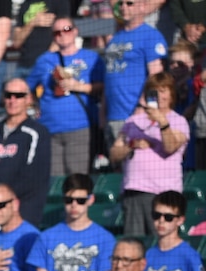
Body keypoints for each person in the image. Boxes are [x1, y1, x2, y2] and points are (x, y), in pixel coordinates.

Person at [110, 74, 189, 236]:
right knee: (135, 244)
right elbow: (114, 154)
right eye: (154, 91)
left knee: (161, 243)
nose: (159, 96)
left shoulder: (179, 121)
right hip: (134, 191)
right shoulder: (133, 121)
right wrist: (132, 145)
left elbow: (171, 147)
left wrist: (162, 122)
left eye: (163, 90)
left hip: (164, 195)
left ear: (171, 94)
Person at [0, 79, 52, 226]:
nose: (13, 100)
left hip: (20, 217)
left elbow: (35, 177)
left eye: (18, 95)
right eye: (8, 95)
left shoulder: (37, 134)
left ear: (28, 99)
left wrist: (0, 200)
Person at [26, 17, 103, 177]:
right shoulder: (45, 60)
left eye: (66, 29)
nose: (62, 34)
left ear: (75, 31)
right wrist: (32, 107)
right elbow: (27, 87)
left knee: (77, 179)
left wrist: (78, 86)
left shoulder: (91, 58)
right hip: (49, 128)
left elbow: (103, 87)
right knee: (54, 180)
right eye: (57, 32)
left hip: (80, 128)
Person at [35, 174, 115, 271]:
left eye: (80, 200)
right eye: (69, 200)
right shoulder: (46, 237)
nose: (74, 205)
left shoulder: (105, 238)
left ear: (91, 200)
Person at [101, 0, 167, 144]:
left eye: (129, 3)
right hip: (113, 116)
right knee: (116, 164)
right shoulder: (115, 39)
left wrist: (142, 106)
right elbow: (109, 77)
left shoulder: (151, 36)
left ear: (143, 6)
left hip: (137, 116)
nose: (124, 7)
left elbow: (156, 77)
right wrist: (103, 111)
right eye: (121, 4)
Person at [145, 190, 206, 271]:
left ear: (180, 220)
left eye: (168, 217)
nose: (161, 221)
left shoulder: (189, 255)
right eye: (156, 215)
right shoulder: (148, 255)